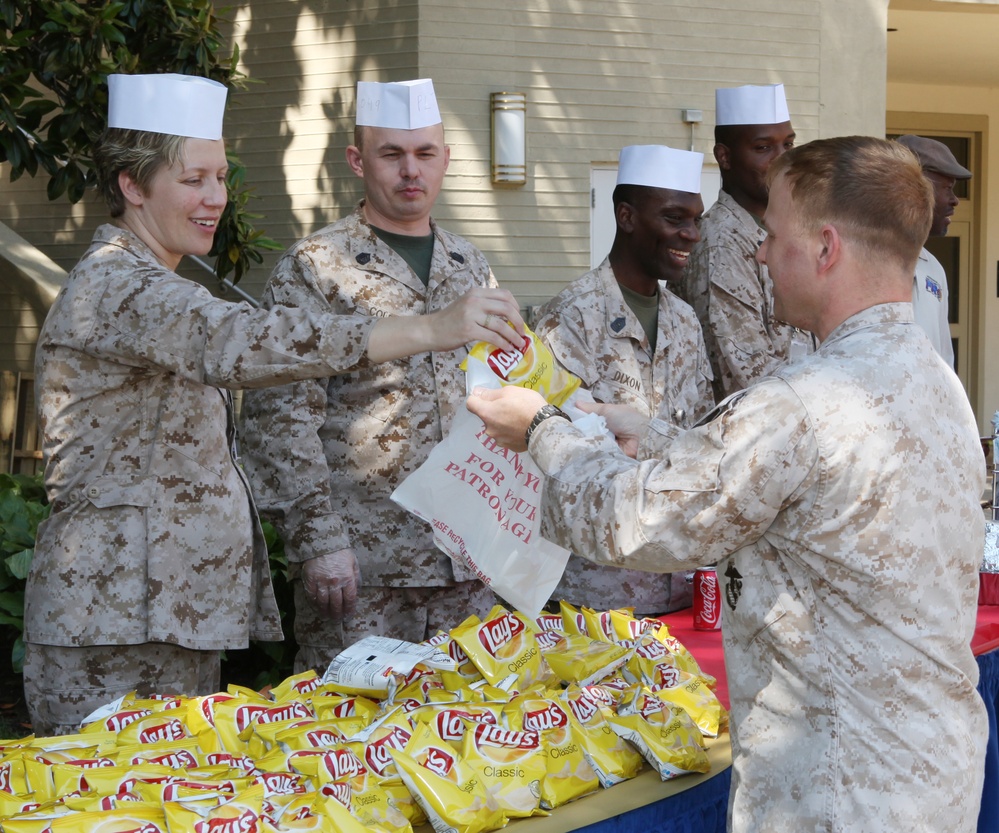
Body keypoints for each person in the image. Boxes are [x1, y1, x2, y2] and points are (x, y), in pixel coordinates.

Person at [468, 136, 987, 832]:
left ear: (825, 248)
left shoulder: (798, 403)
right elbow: (790, 482)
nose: (759, 253)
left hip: (834, 794)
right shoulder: (934, 381)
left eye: (772, 235)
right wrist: (644, 431)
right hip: (925, 778)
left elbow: (632, 519)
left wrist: (540, 428)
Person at [25, 73, 523, 736]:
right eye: (193, 179)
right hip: (113, 623)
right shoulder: (117, 284)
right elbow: (236, 340)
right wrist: (429, 327)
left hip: (165, 614)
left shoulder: (150, 278)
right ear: (132, 184)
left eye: (221, 177)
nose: (214, 199)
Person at [240, 79, 516, 674]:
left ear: (446, 157)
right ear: (358, 161)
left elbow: (495, 392)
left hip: (465, 560)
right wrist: (318, 542)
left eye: (425, 153)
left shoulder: (470, 265)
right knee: (351, 741)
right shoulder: (315, 268)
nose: (410, 171)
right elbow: (279, 419)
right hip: (363, 567)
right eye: (392, 154)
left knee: (464, 732)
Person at [532, 144, 713, 615]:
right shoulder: (572, 317)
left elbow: (698, 440)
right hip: (596, 595)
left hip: (677, 583)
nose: (691, 235)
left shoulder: (684, 320)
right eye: (675, 219)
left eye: (695, 220)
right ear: (627, 217)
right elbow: (558, 456)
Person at [680, 83, 812, 402]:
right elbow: (749, 377)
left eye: (789, 144)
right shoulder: (720, 241)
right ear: (724, 156)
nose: (784, 160)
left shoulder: (785, 227)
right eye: (763, 148)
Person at [896, 133, 971, 369]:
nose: (954, 200)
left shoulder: (933, 268)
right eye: (947, 188)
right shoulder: (860, 258)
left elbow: (944, 359)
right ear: (913, 189)